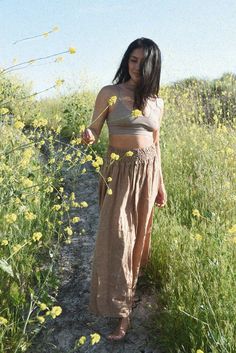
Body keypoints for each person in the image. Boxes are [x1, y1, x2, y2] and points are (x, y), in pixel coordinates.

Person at [81, 37, 167, 341]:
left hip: (147, 173)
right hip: (118, 173)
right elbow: (94, 127)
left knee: (137, 240)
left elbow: (156, 145)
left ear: (153, 66)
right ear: (126, 61)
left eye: (144, 62)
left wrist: (160, 185)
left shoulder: (157, 101)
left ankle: (125, 311)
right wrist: (88, 133)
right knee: (118, 237)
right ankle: (119, 304)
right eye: (133, 59)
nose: (137, 67)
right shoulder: (110, 93)